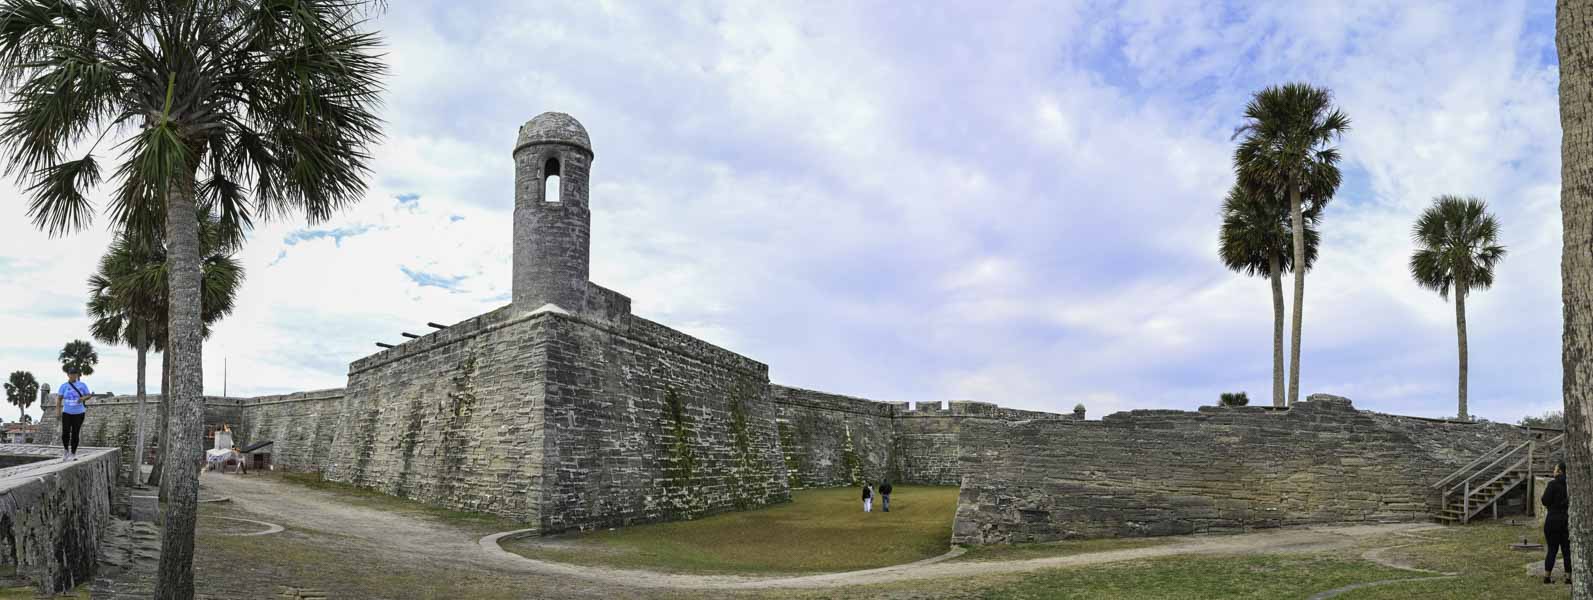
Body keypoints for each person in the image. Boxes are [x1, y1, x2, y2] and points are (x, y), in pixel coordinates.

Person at [1543, 461, 1572, 585]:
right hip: (1566, 520)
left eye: (1555, 469)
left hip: (1552, 520)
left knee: (1552, 550)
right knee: (1567, 551)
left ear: (1560, 471)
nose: (1553, 471)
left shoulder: (1552, 484)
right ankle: (1568, 578)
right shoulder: (1570, 485)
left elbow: (1544, 500)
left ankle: (1547, 577)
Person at [57, 371, 91, 461]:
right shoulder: (64, 386)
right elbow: (59, 399)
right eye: (71, 374)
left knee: (75, 433)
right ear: (68, 375)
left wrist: (83, 398)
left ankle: (73, 453)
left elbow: (88, 395)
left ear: (77, 375)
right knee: (65, 433)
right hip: (67, 412)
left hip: (79, 413)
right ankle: (65, 451)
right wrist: (58, 412)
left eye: (75, 374)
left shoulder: (82, 385)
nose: (73, 376)